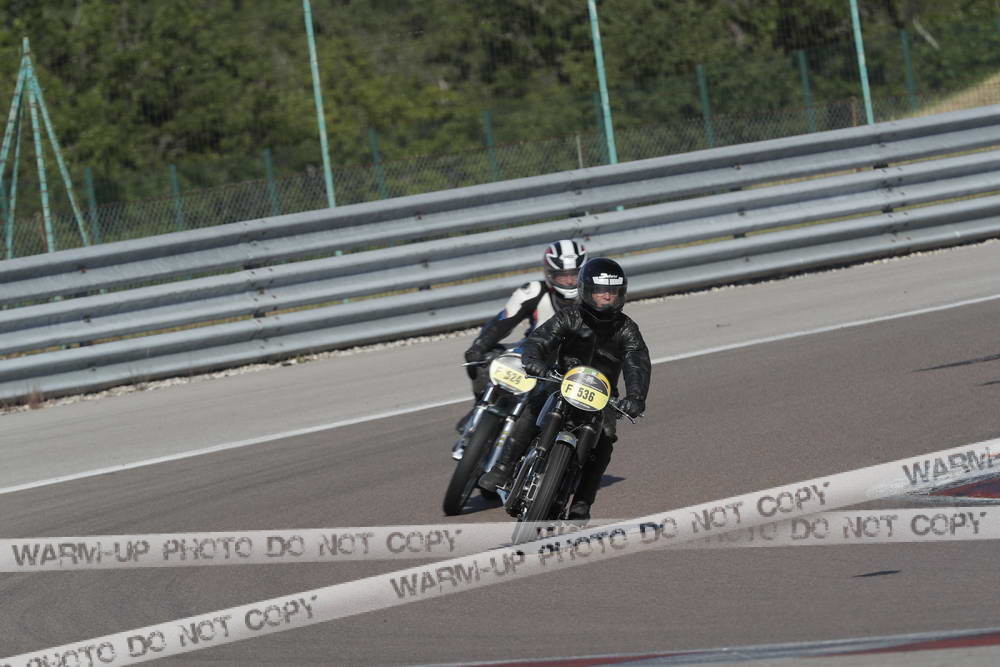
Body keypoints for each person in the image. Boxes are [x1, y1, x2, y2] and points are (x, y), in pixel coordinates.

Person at [478, 257, 651, 521]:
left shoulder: (627, 328)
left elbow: (637, 362)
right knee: (533, 405)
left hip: (602, 395)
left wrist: (636, 397)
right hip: (561, 380)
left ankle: (582, 502)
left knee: (605, 438)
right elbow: (541, 338)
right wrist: (533, 360)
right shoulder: (570, 316)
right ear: (586, 290)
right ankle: (503, 468)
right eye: (600, 290)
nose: (607, 296)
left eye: (613, 291)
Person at [457, 240, 588, 431]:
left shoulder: (594, 302)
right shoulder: (534, 291)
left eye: (574, 274)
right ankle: (481, 406)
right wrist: (480, 346)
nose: (569, 281)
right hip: (528, 351)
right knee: (483, 362)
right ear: (550, 274)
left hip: (566, 367)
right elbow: (503, 322)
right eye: (563, 275)